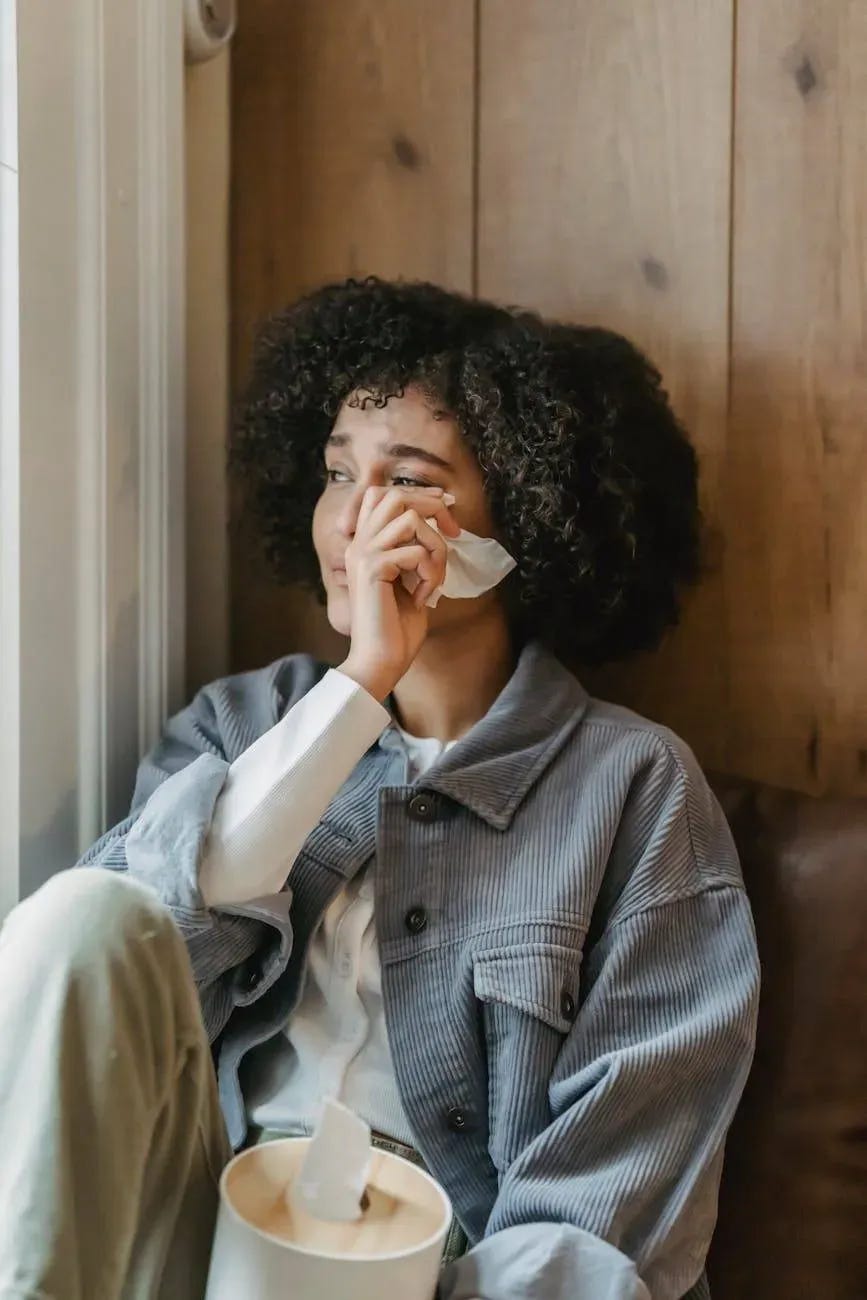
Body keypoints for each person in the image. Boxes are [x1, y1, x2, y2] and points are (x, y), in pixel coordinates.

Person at [0, 277, 760, 1300]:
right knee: (89, 913)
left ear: (522, 524)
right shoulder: (241, 725)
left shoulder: (636, 790)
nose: (353, 522)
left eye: (405, 480)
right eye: (333, 473)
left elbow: (607, 1209)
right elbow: (132, 967)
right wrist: (360, 686)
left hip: (436, 1272)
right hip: (197, 1224)